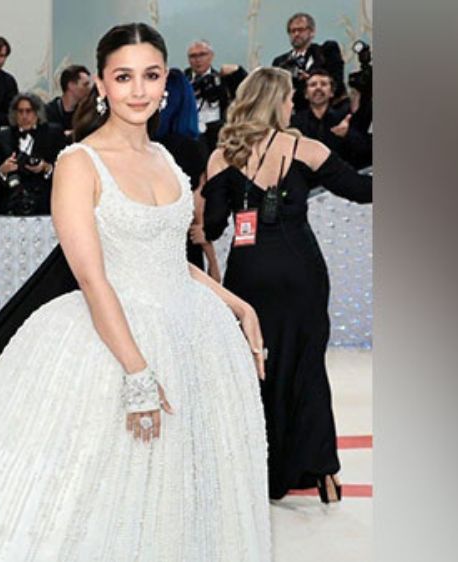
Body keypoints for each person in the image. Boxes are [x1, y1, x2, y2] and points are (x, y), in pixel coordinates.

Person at [0, 23, 272, 561]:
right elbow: (92, 277)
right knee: (97, 494)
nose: (139, 90)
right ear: (103, 86)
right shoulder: (78, 162)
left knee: (180, 488)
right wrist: (136, 371)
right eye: (124, 76)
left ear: (166, 84)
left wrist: (238, 305)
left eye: (151, 76)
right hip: (113, 340)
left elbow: (169, 262)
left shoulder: (170, 161)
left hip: (192, 337)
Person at [202, 67, 372, 503]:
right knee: (308, 366)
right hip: (302, 272)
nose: (293, 105)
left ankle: (264, 470)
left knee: (257, 367)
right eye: (288, 98)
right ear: (276, 101)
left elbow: (216, 225)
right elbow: (359, 189)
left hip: (249, 276)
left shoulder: (223, 156)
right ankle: (322, 472)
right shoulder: (304, 148)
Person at [152, 67, 220, 280]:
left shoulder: (144, 147)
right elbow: (197, 212)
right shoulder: (192, 148)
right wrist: (214, 264)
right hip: (182, 250)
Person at [0, 93, 66, 215]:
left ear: (37, 113)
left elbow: (65, 168)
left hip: (45, 203)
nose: (24, 116)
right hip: (12, 202)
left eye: (28, 111)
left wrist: (46, 167)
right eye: (20, 111)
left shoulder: (53, 133)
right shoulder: (3, 137)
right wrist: (3, 171)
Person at [291, 69, 372, 169]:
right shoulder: (295, 122)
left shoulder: (344, 118)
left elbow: (365, 149)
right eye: (313, 85)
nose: (318, 88)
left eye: (324, 84)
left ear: (331, 93)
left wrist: (348, 134)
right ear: (306, 94)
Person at [271, 13, 346, 112]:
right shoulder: (280, 62)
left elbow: (337, 83)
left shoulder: (326, 52)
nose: (296, 34)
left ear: (312, 32)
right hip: (293, 114)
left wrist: (310, 78)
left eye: (301, 30)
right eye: (292, 31)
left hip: (325, 114)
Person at [184, 40, 246, 150]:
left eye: (202, 55)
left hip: (216, 132)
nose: (198, 60)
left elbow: (247, 88)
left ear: (211, 56)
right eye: (193, 56)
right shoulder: (183, 81)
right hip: (190, 132)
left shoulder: (222, 79)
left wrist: (238, 71)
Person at [44, 64, 92, 138]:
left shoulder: (88, 111)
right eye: (85, 85)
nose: (89, 89)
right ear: (71, 85)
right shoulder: (49, 112)